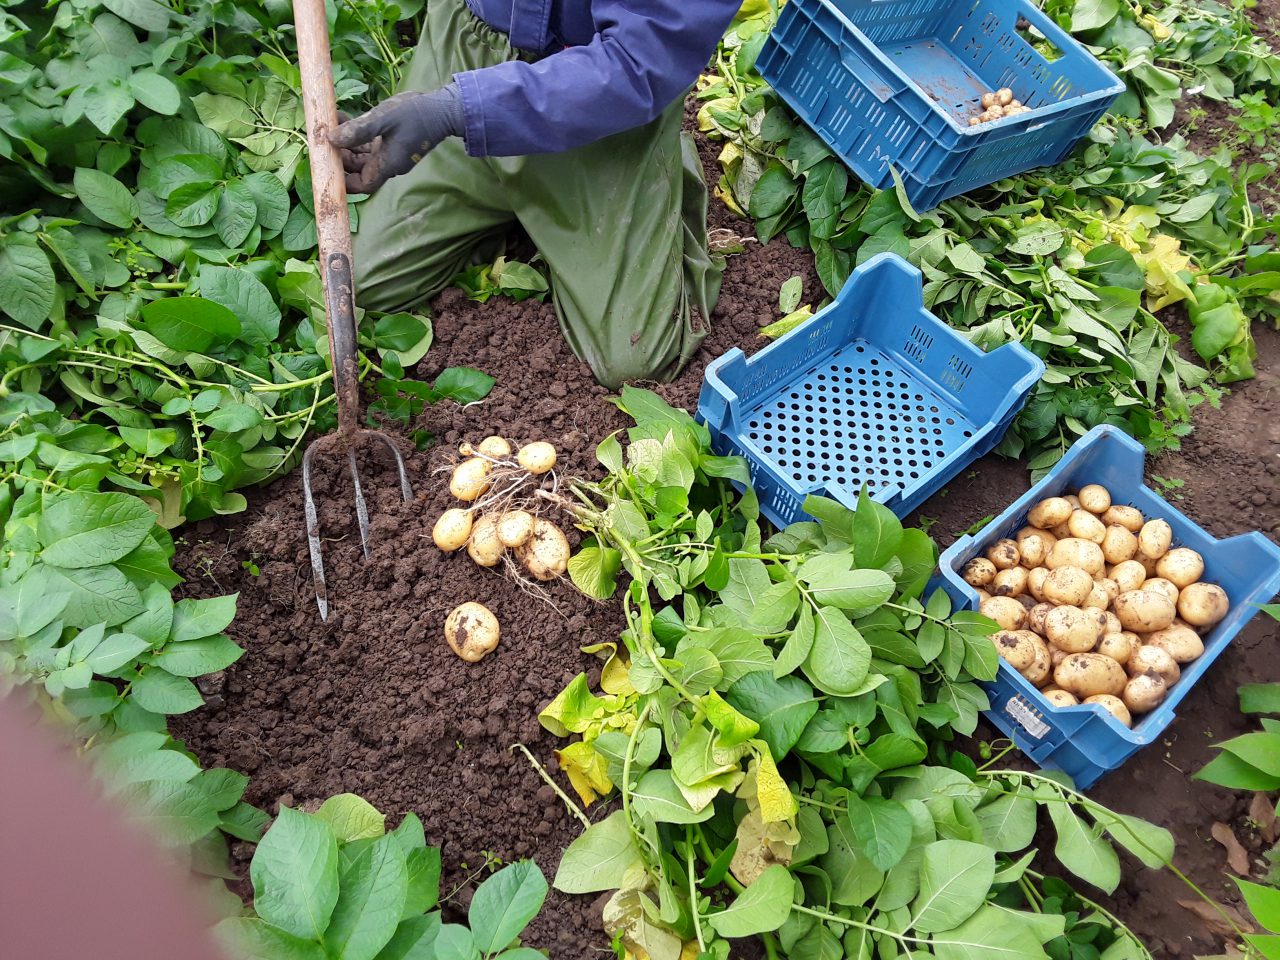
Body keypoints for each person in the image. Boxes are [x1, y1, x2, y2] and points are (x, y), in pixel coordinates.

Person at [332, 0, 742, 389]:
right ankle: (511, 202)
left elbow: (645, 58)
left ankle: (654, 168)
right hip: (467, 51)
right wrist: (442, 108)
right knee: (361, 286)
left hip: (599, 99)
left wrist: (459, 110)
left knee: (634, 359)